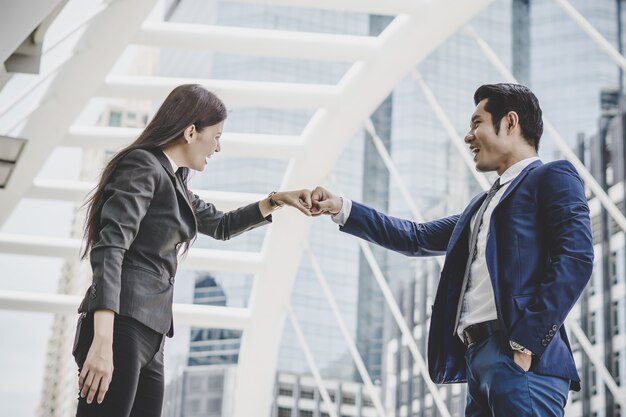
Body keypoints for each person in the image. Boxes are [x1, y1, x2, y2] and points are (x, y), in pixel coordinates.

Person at [310, 83, 593, 416]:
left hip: (520, 361)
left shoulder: (552, 177)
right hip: (477, 362)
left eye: (477, 123)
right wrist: (340, 207)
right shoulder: (480, 207)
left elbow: (576, 258)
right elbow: (415, 237)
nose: (468, 135)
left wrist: (526, 344)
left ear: (510, 122)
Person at [72, 84, 312, 417]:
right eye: (216, 136)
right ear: (190, 132)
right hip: (121, 323)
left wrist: (276, 201)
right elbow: (111, 248)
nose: (218, 147)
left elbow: (222, 225)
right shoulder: (143, 166)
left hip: (152, 335)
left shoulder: (175, 183)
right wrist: (102, 340)